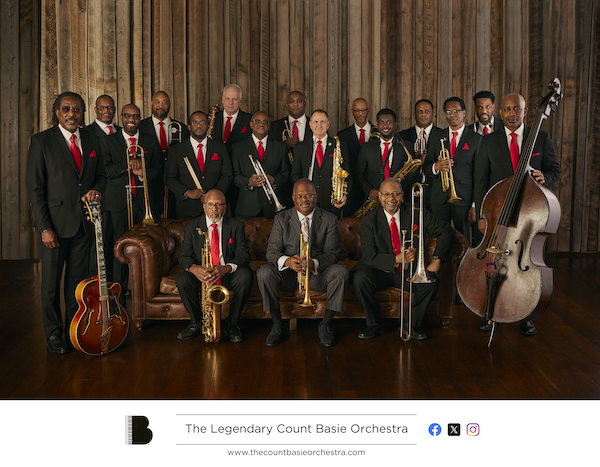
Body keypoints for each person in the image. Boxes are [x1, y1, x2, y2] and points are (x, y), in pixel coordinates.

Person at [474, 93, 562, 336]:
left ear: (525, 111)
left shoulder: (541, 138)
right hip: (498, 214)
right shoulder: (489, 141)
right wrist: (482, 214)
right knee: (492, 264)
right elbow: (480, 181)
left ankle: (526, 314)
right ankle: (489, 311)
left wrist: (546, 177)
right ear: (500, 113)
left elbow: (556, 171)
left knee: (526, 264)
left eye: (518, 109)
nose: (513, 113)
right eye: (508, 109)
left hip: (529, 217)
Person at [26, 91, 107, 354]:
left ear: (84, 113)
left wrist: (96, 189)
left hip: (84, 224)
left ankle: (73, 330)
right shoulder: (41, 142)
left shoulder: (94, 140)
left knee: (77, 284)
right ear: (57, 113)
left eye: (77, 109)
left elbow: (102, 176)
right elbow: (35, 188)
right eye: (66, 109)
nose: (72, 114)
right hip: (55, 227)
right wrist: (44, 227)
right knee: (50, 284)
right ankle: (53, 334)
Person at [351, 179, 455, 340]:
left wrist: (437, 260)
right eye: (386, 194)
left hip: (410, 270)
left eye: (396, 194)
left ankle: (410, 325)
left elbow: (446, 231)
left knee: (431, 281)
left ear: (402, 195)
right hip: (379, 271)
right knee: (359, 278)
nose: (391, 198)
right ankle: (375, 324)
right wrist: (397, 259)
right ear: (379, 196)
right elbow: (369, 257)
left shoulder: (416, 212)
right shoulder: (369, 221)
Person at [256, 179, 349, 347]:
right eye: (300, 196)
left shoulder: (329, 219)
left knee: (340, 271)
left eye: (309, 195)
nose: (304, 200)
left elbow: (332, 254)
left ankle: (326, 325)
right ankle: (277, 324)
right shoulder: (281, 218)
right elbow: (272, 252)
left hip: (316, 275)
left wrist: (313, 262)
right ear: (293, 198)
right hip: (289, 276)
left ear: (316, 196)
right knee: (264, 272)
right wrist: (288, 261)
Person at [101, 104, 163, 305]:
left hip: (144, 202)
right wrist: (126, 165)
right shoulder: (109, 141)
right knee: (120, 245)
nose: (131, 119)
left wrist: (144, 172)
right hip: (119, 202)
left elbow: (158, 169)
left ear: (139, 119)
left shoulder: (150, 141)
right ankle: (119, 287)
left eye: (135, 116)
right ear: (121, 117)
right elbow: (105, 170)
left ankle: (145, 287)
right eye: (127, 116)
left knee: (146, 245)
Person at [176, 189, 253, 342]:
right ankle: (197, 323)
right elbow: (184, 257)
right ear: (204, 206)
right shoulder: (192, 227)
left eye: (219, 205)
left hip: (226, 273)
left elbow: (244, 255)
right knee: (182, 280)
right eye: (210, 205)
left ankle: (232, 324)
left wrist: (227, 268)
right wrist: (194, 269)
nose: (214, 209)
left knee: (245, 276)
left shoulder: (236, 226)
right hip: (202, 274)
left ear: (225, 207)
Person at [425, 97, 482, 242]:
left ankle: (462, 265)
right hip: (439, 198)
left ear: (464, 113)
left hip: (464, 199)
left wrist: (475, 204)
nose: (452, 115)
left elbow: (479, 175)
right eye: (448, 112)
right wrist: (435, 167)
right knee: (438, 239)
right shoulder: (436, 136)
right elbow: (426, 168)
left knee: (463, 239)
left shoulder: (476, 139)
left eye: (456, 111)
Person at [164, 111, 232, 219]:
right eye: (195, 122)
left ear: (208, 126)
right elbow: (169, 178)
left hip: (215, 209)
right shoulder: (176, 150)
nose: (199, 126)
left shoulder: (220, 148)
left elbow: (227, 175)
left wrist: (213, 196)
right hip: (187, 209)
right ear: (189, 127)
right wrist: (187, 192)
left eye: (202, 122)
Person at [290, 109, 352, 218]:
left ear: (328, 124)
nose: (319, 125)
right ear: (310, 124)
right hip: (307, 204)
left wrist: (343, 196)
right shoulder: (300, 147)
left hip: (332, 204)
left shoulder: (339, 145)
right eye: (316, 122)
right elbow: (295, 175)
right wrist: (300, 196)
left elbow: (347, 175)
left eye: (322, 122)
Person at [138, 91, 190, 218]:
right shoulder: (140, 126)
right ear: (151, 104)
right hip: (149, 182)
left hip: (174, 182)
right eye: (157, 102)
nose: (161, 105)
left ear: (170, 105)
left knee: (172, 218)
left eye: (164, 102)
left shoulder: (181, 128)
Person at [354, 108, 417, 209]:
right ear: (377, 125)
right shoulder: (367, 147)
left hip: (398, 199)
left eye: (389, 122)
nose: (385, 126)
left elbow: (413, 173)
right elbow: (358, 174)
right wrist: (369, 190)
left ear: (395, 124)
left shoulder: (406, 146)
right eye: (381, 122)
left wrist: (398, 190)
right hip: (374, 200)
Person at [231, 111, 289, 218]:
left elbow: (286, 173)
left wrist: (274, 180)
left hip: (273, 208)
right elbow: (234, 176)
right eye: (257, 121)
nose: (261, 124)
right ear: (251, 125)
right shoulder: (238, 148)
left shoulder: (280, 147)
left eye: (265, 122)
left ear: (269, 126)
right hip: (247, 207)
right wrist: (249, 182)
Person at [337, 98, 378, 216]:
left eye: (363, 110)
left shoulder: (378, 133)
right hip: (351, 188)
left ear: (368, 111)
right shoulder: (342, 135)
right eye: (357, 110)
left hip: (373, 188)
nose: (360, 113)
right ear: (352, 112)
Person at [398, 99, 441, 212]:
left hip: (436, 193)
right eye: (420, 111)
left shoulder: (442, 135)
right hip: (408, 191)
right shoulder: (401, 136)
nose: (423, 114)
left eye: (427, 111)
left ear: (433, 113)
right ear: (415, 113)